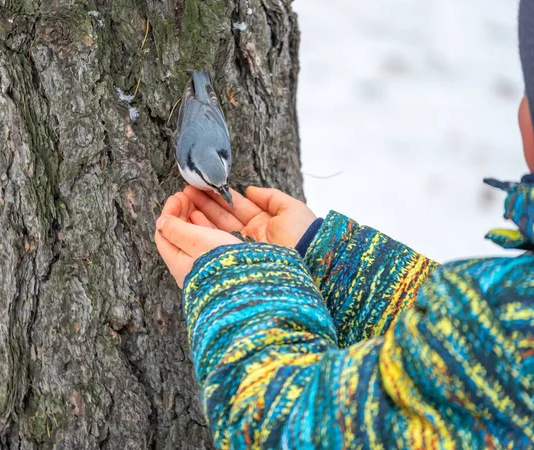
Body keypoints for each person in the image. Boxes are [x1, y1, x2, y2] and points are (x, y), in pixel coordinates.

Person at [155, 2, 534, 448]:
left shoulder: (509, 332)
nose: (519, 110)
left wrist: (240, 290)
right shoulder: (506, 328)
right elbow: (458, 357)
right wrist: (335, 265)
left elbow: (282, 429)